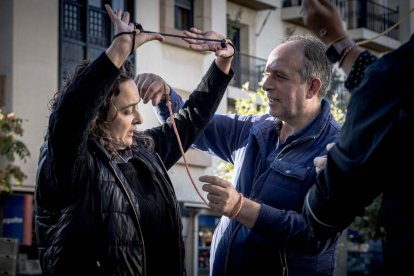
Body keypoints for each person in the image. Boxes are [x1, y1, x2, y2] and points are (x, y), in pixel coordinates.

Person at [34, 4, 234, 276]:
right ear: (97, 116)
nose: (139, 120)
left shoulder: (145, 151)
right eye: (127, 111)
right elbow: (70, 116)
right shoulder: (68, 162)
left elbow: (189, 121)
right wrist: (120, 49)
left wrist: (222, 62)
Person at [143, 29, 342, 275]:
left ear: (312, 87)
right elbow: (192, 127)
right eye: (267, 74)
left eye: (279, 76)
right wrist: (165, 97)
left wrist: (240, 207)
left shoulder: (338, 148)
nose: (266, 85)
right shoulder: (253, 128)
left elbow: (317, 237)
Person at [300, 0, 414, 274]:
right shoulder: (394, 80)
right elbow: (388, 92)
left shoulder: (398, 78)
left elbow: (323, 216)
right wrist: (340, 43)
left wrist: (332, 170)